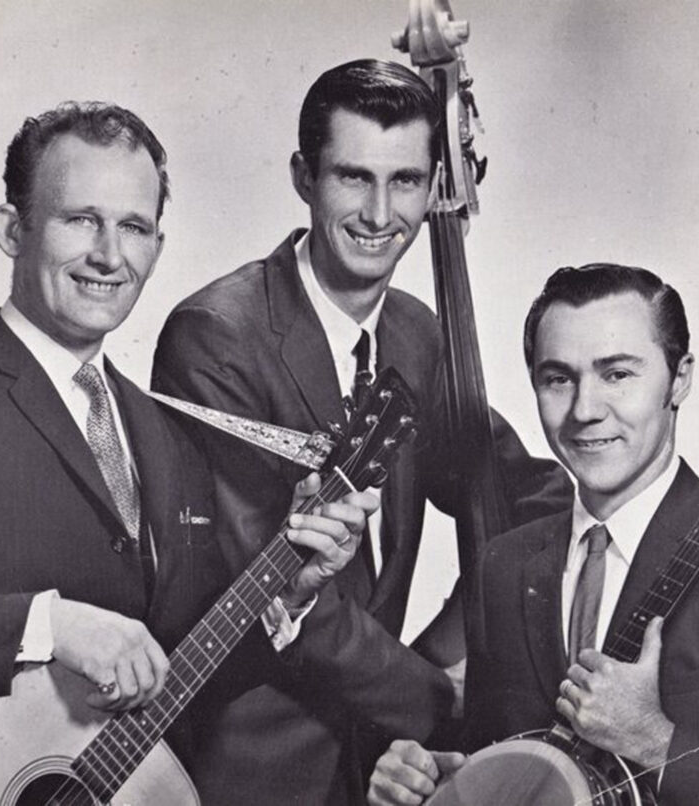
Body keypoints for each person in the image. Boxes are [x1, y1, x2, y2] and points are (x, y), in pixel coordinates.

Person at [0, 102, 376, 784]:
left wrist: (292, 590)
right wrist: (48, 627)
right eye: (80, 220)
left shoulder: (166, 435)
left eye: (133, 227)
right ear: (13, 229)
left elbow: (178, 677)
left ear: (156, 245)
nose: (109, 254)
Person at [152, 60, 572, 805]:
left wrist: (462, 639)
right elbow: (281, 595)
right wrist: (447, 703)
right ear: (303, 177)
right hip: (247, 773)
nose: (381, 214)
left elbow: (530, 499)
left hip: (382, 760)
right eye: (353, 177)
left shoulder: (415, 332)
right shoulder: (215, 337)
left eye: (406, 181)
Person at [367, 264, 699, 805]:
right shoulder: (504, 564)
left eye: (617, 375)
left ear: (680, 378)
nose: (584, 410)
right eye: (559, 379)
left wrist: (656, 742)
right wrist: (433, 779)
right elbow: (506, 758)